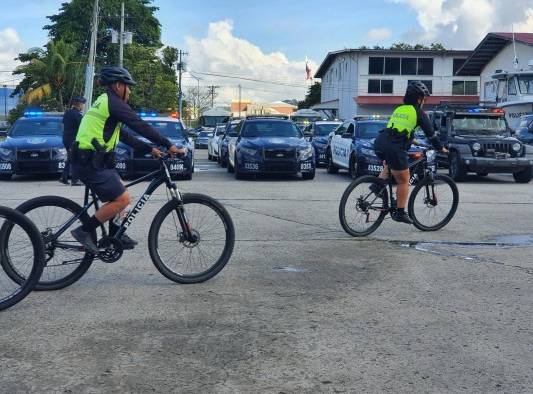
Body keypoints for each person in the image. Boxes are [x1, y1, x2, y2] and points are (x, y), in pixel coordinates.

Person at [71, 66, 186, 253]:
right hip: (89, 162)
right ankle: (84, 232)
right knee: (122, 199)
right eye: (128, 87)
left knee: (123, 193)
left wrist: (150, 148)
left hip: (93, 160)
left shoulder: (104, 101)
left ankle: (116, 235)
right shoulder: (114, 103)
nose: (130, 91)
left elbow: (123, 135)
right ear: (118, 85)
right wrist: (168, 144)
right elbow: (139, 125)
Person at [373, 81, 448, 224]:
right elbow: (431, 135)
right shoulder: (419, 113)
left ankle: (376, 186)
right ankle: (400, 212)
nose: (424, 102)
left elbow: (399, 130)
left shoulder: (400, 109)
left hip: (380, 142)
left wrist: (415, 142)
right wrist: (441, 148)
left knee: (391, 166)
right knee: (404, 180)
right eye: (424, 99)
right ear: (419, 99)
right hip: (395, 147)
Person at [59, 96, 86, 186]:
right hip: (73, 139)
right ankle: (74, 180)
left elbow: (62, 126)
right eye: (83, 104)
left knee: (71, 158)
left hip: (66, 138)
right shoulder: (77, 115)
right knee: (75, 159)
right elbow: (82, 128)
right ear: (79, 104)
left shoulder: (67, 112)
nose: (83, 106)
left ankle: (64, 177)